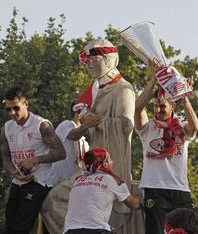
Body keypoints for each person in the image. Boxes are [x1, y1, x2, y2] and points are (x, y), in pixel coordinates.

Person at [74, 38, 139, 233]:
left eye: (95, 59)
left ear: (110, 59)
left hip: (111, 168)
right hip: (91, 169)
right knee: (55, 200)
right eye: (87, 60)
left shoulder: (123, 89)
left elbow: (126, 126)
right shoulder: (96, 90)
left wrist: (92, 118)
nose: (89, 64)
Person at [134, 66, 198, 234]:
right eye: (155, 106)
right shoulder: (148, 128)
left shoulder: (181, 128)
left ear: (172, 107)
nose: (157, 110)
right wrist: (155, 78)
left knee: (191, 230)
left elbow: (195, 127)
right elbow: (137, 108)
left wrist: (184, 96)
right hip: (154, 188)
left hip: (180, 190)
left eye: (162, 107)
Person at [0, 87, 66, 234]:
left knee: (20, 227)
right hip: (19, 181)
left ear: (26, 104)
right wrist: (14, 173)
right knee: (9, 226)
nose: (12, 113)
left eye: (16, 108)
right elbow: (5, 157)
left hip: (39, 181)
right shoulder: (7, 127)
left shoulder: (42, 125)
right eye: (8, 109)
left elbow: (61, 153)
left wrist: (35, 160)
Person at [41, 102, 92, 233]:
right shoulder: (66, 125)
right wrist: (88, 124)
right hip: (56, 186)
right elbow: (74, 135)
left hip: (72, 191)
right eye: (89, 112)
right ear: (79, 112)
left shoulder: (85, 142)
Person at [64, 148, 141, 234]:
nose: (112, 162)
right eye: (110, 159)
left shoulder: (77, 180)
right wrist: (141, 199)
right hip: (97, 230)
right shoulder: (112, 179)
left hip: (70, 231)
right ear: (105, 163)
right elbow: (133, 204)